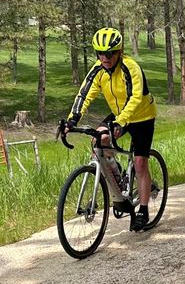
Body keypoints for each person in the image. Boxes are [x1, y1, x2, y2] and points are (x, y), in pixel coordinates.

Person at [60, 28, 158, 231]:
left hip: (142, 115)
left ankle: (144, 210)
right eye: (100, 53)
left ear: (119, 51)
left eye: (110, 53)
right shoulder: (98, 70)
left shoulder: (130, 67)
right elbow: (84, 95)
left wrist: (121, 122)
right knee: (98, 139)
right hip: (119, 113)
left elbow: (135, 97)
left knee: (140, 163)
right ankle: (118, 177)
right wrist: (71, 120)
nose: (105, 57)